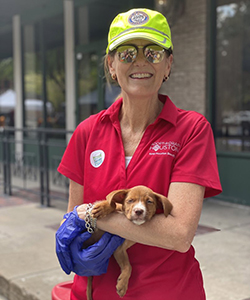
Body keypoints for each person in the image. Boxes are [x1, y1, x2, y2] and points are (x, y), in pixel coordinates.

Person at [55, 8, 222, 300]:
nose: (141, 62)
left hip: (169, 292)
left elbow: (179, 234)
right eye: (127, 53)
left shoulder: (192, 130)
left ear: (169, 64)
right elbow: (71, 216)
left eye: (154, 53)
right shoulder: (86, 132)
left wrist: (90, 216)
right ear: (111, 64)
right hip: (94, 293)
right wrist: (77, 229)